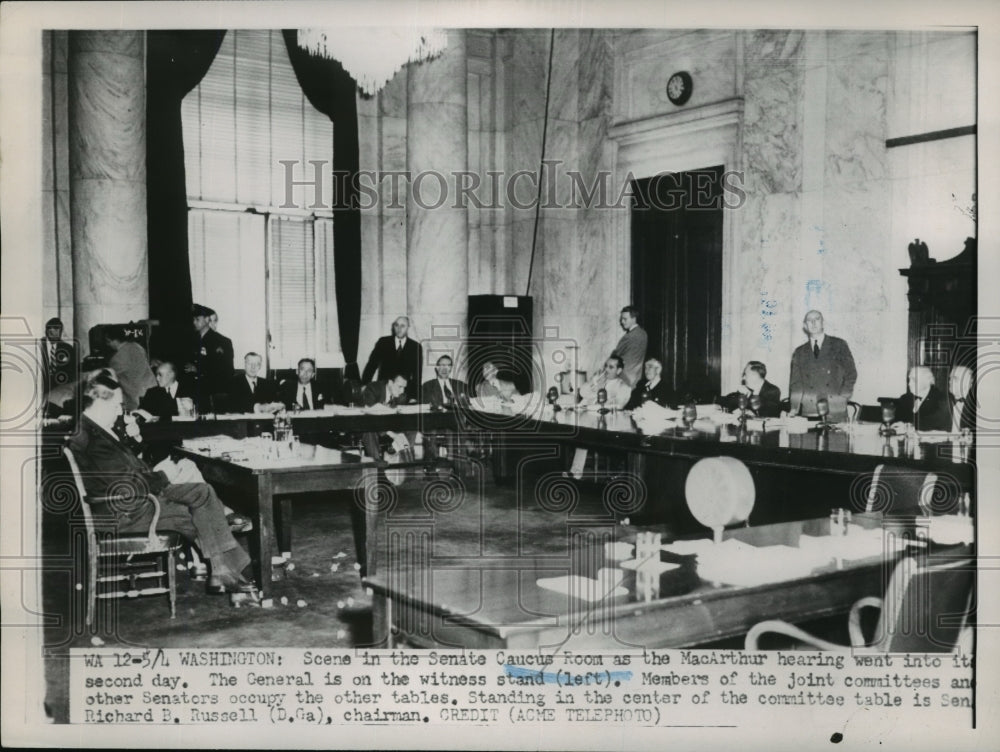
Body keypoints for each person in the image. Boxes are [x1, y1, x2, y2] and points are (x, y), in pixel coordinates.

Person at [66, 371, 256, 595]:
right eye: (117, 405)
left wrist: (157, 470)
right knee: (201, 510)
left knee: (202, 494)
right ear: (100, 403)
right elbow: (129, 486)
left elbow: (126, 473)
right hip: (127, 513)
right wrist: (164, 475)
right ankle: (236, 569)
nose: (120, 411)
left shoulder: (92, 430)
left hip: (129, 504)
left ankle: (225, 569)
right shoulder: (94, 440)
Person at [566, 356, 631, 480]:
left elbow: (618, 405)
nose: (606, 369)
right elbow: (582, 393)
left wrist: (600, 391)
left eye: (611, 367)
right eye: (606, 366)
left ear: (619, 371)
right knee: (577, 427)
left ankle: (576, 472)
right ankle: (575, 472)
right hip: (587, 418)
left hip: (607, 423)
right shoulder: (598, 379)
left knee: (584, 431)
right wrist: (594, 385)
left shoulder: (623, 387)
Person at [788, 310, 857, 421]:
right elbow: (796, 383)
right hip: (809, 411)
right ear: (805, 326)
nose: (814, 323)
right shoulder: (799, 352)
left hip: (835, 409)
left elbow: (851, 373)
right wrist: (794, 408)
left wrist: (843, 397)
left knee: (836, 438)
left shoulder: (839, 345)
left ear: (823, 323)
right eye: (810, 320)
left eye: (817, 319)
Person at [361, 316, 423, 402]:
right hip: (383, 391)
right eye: (396, 325)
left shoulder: (416, 347)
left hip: (403, 392)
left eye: (402, 326)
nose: (399, 329)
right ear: (393, 327)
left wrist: (414, 396)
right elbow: (371, 365)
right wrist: (365, 384)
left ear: (408, 327)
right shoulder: (383, 342)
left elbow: (417, 375)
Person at [185, 304, 234, 411]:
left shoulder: (222, 342)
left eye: (197, 319)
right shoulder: (190, 340)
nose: (194, 322)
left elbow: (226, 370)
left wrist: (198, 369)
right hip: (191, 390)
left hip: (211, 392)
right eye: (193, 319)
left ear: (207, 320)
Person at [359, 375, 412, 460]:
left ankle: (407, 462)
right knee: (369, 431)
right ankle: (377, 465)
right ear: (390, 382)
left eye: (404, 387)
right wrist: (391, 434)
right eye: (400, 387)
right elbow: (369, 415)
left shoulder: (401, 395)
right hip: (369, 425)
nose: (402, 391)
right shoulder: (373, 388)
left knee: (412, 427)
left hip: (389, 426)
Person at [106, 326, 156, 412]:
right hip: (152, 389)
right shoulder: (137, 346)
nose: (108, 344)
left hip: (137, 398)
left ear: (115, 340)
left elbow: (108, 376)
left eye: (108, 341)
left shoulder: (117, 358)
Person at [895, 366, 951, 432]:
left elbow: (932, 425)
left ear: (928, 381)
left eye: (914, 380)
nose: (909, 384)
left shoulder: (940, 400)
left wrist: (907, 427)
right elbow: (896, 421)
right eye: (909, 380)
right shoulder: (904, 399)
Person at [611, 305, 648, 387]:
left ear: (634, 319)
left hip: (624, 378)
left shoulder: (629, 336)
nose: (622, 322)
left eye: (625, 319)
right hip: (637, 377)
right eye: (621, 319)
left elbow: (615, 356)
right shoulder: (643, 334)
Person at [42, 316, 78, 393]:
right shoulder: (40, 347)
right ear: (46, 331)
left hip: (61, 388)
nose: (53, 331)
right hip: (42, 387)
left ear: (61, 331)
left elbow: (72, 371)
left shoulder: (67, 348)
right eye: (49, 328)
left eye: (56, 329)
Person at [948, 365, 976, 432]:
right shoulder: (945, 402)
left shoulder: (975, 406)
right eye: (950, 378)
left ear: (968, 383)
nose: (950, 382)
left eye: (955, 378)